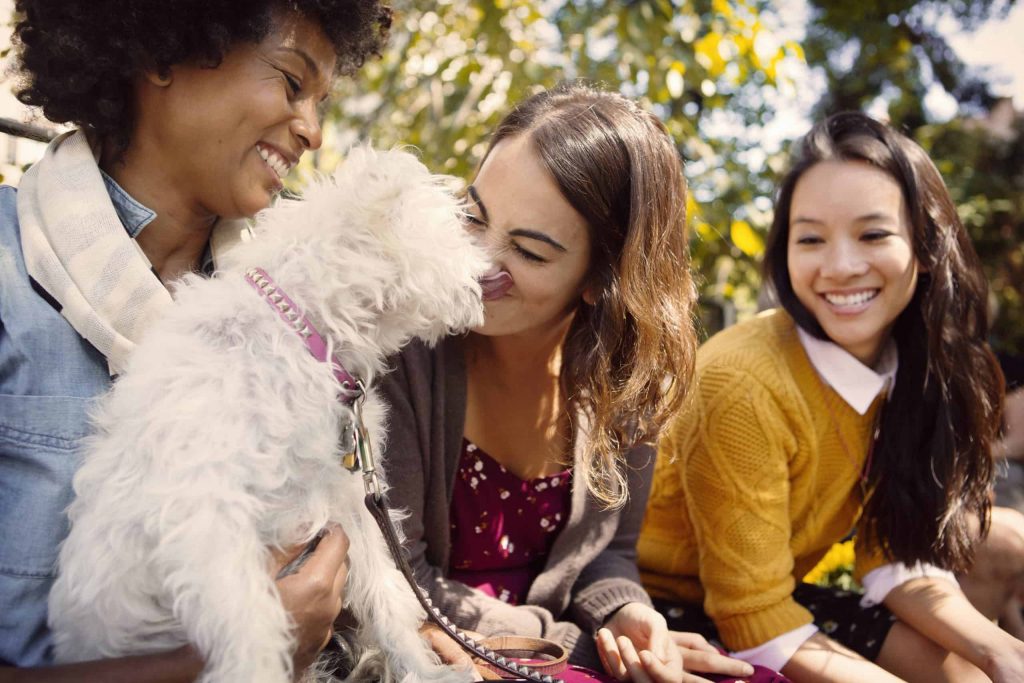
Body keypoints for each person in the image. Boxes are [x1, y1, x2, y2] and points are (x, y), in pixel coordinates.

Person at [0, 0, 390, 678]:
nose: (314, 131)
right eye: (293, 83)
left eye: (323, 101)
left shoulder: (294, 317)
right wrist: (222, 654)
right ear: (162, 52)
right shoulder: (10, 274)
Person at [380, 82, 757, 683]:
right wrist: (577, 645)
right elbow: (400, 584)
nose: (478, 262)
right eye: (473, 217)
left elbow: (608, 553)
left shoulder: (627, 385)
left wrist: (628, 613)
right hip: (437, 649)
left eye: (528, 251)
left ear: (602, 277)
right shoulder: (402, 349)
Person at [639, 111, 1024, 682]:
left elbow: (891, 552)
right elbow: (751, 615)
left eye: (873, 234)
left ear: (925, 243)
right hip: (663, 610)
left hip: (774, 600)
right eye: (811, 238)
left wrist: (1000, 651)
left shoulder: (909, 368)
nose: (840, 267)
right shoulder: (744, 382)